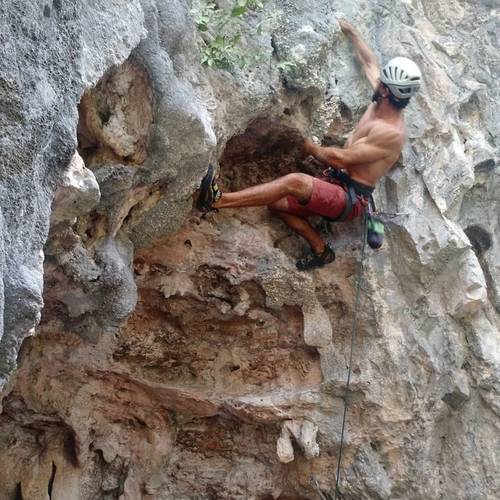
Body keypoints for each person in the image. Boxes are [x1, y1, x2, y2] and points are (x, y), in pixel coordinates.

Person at [196, 19, 422, 270]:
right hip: (336, 182)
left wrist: (309, 146)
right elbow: (370, 63)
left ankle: (216, 201)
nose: (377, 82)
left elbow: (342, 159)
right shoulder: (382, 99)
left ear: (389, 92)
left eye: (382, 84)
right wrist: (352, 32)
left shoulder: (391, 134)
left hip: (351, 198)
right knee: (276, 204)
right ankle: (321, 249)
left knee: (295, 182)